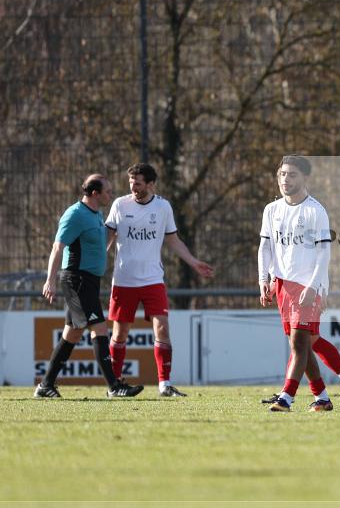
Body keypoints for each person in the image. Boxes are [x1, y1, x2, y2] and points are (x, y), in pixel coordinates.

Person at [258, 155, 340, 412]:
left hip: (306, 287)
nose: (286, 179)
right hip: (283, 286)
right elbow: (265, 247)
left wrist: (316, 286)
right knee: (307, 343)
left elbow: (323, 254)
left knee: (299, 344)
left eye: (292, 175)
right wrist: (265, 278)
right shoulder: (271, 210)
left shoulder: (315, 211)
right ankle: (327, 395)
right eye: (282, 174)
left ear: (305, 178)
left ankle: (286, 397)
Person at [105, 163, 214, 397]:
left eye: (139, 183)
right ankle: (114, 385)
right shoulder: (120, 205)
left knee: (162, 329)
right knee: (120, 334)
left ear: (151, 184)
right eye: (131, 183)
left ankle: (164, 385)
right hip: (124, 280)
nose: (133, 187)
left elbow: (173, 240)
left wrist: (193, 262)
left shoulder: (163, 207)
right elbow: (108, 237)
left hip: (153, 279)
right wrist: (95, 261)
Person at [37, 174, 143, 398]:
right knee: (100, 327)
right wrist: (50, 279)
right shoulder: (75, 214)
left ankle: (45, 385)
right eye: (108, 191)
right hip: (77, 280)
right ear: (95, 193)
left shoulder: (96, 215)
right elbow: (58, 248)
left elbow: (100, 245)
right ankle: (115, 387)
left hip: (89, 281)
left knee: (73, 334)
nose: (111, 194)